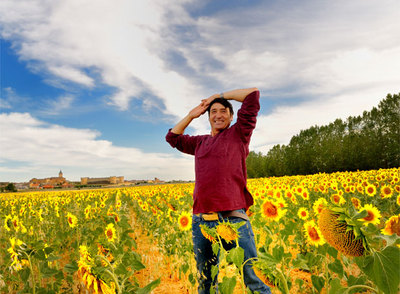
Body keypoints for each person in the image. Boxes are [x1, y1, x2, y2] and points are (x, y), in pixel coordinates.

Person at [165, 88, 271, 294]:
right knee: (206, 279)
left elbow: (252, 95)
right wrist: (191, 115)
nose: (218, 115)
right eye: (213, 112)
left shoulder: (239, 134)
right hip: (202, 220)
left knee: (252, 276)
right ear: (208, 118)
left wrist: (218, 95)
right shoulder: (199, 142)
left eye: (223, 111)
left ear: (232, 117)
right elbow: (173, 138)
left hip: (233, 217)